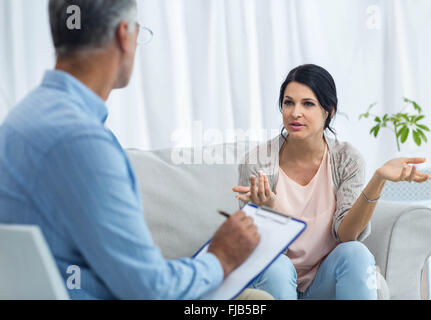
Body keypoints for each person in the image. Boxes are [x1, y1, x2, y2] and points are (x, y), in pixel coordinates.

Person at [0, 0, 268, 300]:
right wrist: (221, 257)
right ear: (123, 35)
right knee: (256, 303)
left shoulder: (19, 120)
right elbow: (150, 289)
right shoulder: (83, 141)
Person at [234, 64, 431, 300]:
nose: (294, 112)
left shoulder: (347, 160)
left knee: (356, 253)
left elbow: (347, 234)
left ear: (328, 110)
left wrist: (378, 180)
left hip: (323, 282)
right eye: (288, 102)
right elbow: (259, 252)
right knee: (277, 267)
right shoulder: (258, 162)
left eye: (307, 104)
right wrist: (270, 212)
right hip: (275, 280)